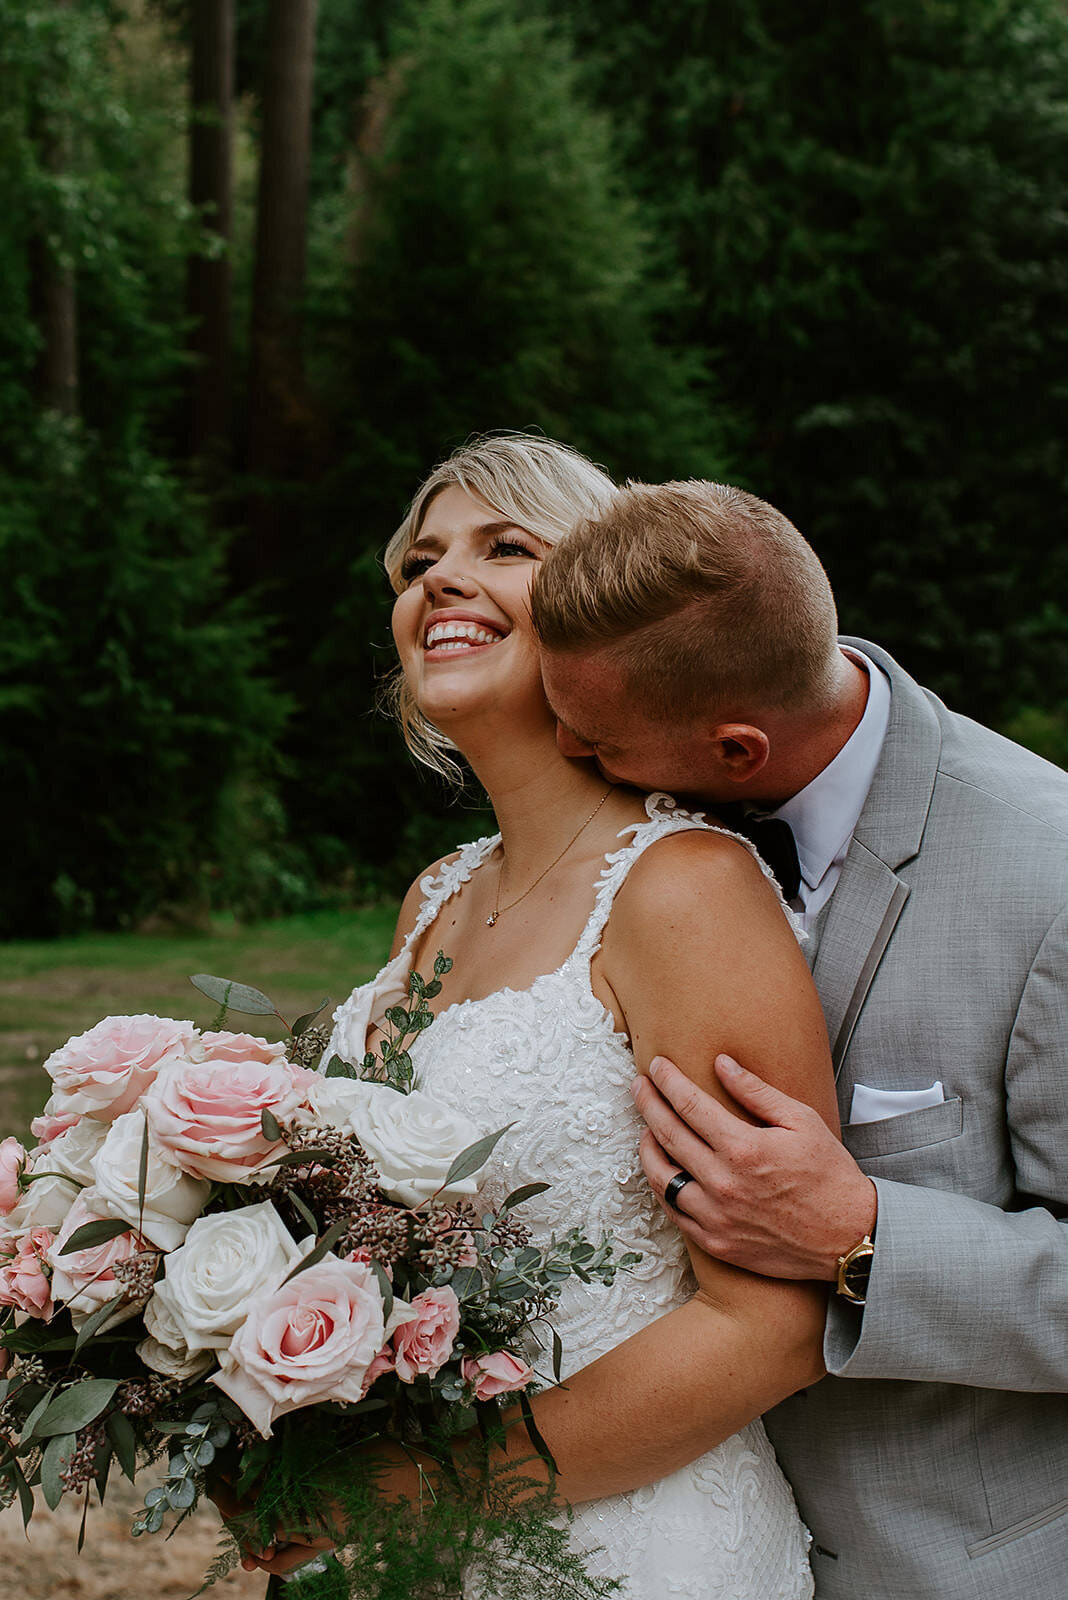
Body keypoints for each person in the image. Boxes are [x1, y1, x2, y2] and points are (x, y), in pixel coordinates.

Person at [239, 435, 838, 1596]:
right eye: (420, 562)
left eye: (504, 547)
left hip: (635, 1544)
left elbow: (774, 1321)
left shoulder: (685, 888)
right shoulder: (438, 895)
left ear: (607, 604)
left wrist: (428, 1486)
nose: (438, 581)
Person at [532, 477, 1068, 1600]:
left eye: (592, 741)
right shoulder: (635, 840)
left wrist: (864, 1236)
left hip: (942, 1567)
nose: (567, 754)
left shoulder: (1049, 875)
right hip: (662, 1537)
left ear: (737, 750)